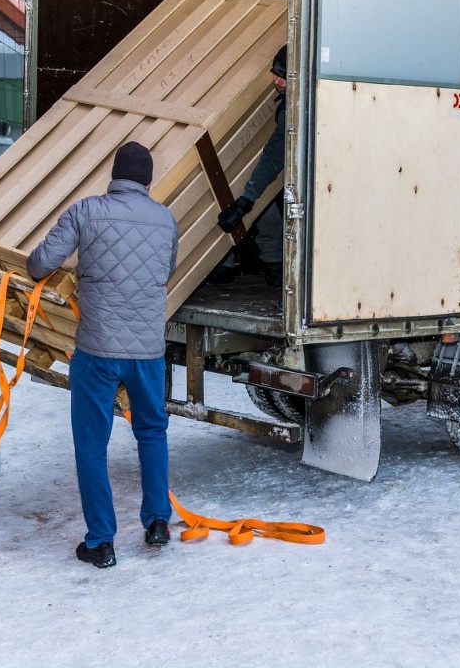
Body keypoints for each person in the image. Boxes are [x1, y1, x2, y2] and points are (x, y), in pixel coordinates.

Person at [27, 142, 180, 569]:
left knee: (92, 443)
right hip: (148, 350)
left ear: (113, 175)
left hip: (96, 348)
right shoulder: (166, 219)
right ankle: (157, 524)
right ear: (148, 180)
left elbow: (41, 264)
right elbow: (166, 271)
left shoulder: (86, 211)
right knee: (152, 432)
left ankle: (101, 541)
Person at [217, 44, 287, 283]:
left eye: (284, 76)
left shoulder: (295, 110)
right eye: (275, 73)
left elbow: (273, 155)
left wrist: (246, 201)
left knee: (266, 207)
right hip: (268, 179)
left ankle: (276, 266)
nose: (277, 80)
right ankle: (274, 265)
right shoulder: (288, 101)